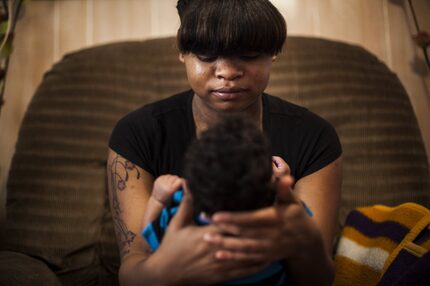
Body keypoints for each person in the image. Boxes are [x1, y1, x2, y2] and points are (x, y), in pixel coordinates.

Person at [107, 0, 343, 285]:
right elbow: (132, 270)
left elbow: (319, 279)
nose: (228, 72)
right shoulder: (137, 134)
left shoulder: (314, 137)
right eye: (207, 55)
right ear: (183, 53)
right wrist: (165, 269)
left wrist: (305, 244)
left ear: (273, 54)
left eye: (250, 54)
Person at [142, 116, 300, 285]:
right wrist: (281, 186)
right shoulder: (279, 224)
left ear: (191, 183)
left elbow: (149, 240)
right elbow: (301, 225)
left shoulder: (176, 216)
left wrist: (157, 200)